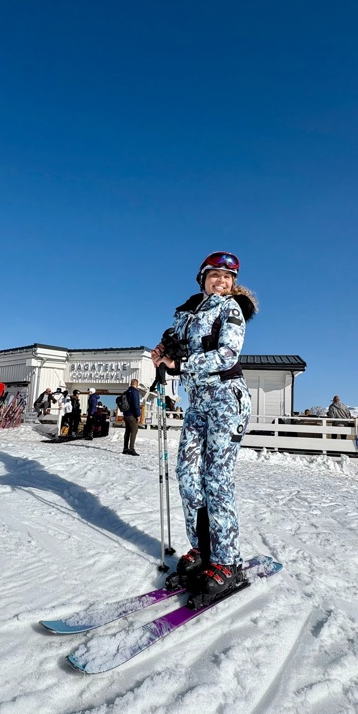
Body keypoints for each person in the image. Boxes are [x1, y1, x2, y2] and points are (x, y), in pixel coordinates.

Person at [151, 250, 256, 601]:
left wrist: (181, 363)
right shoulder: (185, 314)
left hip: (227, 399)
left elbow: (227, 354)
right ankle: (203, 549)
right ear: (202, 278)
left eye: (227, 279)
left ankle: (228, 561)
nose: (221, 282)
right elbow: (173, 347)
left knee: (216, 477)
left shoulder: (231, 309)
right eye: (215, 276)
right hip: (198, 404)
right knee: (186, 473)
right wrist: (164, 350)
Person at [121, 379, 142, 455]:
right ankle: (131, 448)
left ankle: (125, 448)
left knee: (127, 431)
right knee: (134, 431)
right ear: (136, 384)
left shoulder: (127, 392)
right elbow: (136, 404)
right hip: (132, 415)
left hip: (126, 414)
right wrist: (138, 415)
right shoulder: (135, 392)